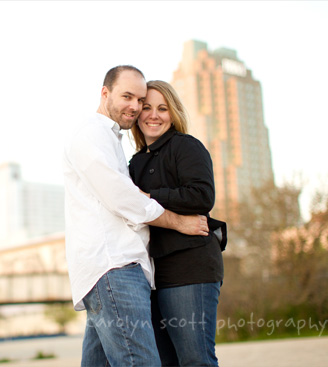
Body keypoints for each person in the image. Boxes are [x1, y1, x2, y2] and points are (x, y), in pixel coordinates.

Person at [62, 65, 210, 366]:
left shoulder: (112, 140)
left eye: (138, 99)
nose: (135, 107)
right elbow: (123, 198)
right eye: (127, 96)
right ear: (105, 93)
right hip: (114, 268)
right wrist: (179, 221)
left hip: (114, 270)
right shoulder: (92, 135)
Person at [128, 80, 225, 366]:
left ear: (174, 114)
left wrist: (148, 196)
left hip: (190, 267)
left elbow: (202, 196)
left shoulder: (185, 146)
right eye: (146, 108)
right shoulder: (135, 163)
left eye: (162, 108)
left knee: (196, 360)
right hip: (153, 275)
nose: (153, 115)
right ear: (136, 113)